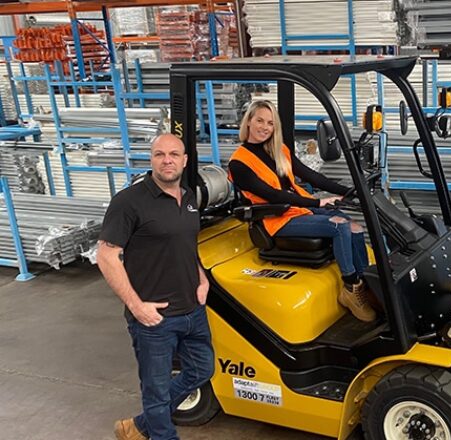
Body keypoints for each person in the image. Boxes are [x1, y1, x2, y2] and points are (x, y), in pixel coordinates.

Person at [98, 133, 214, 440]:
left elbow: (186, 245)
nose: (167, 160)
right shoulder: (129, 201)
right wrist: (137, 307)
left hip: (192, 310)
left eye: (174, 154)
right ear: (151, 159)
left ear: (184, 160)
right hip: (155, 319)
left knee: (202, 371)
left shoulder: (188, 197)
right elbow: (106, 256)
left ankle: (139, 426)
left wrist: (201, 277)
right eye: (160, 154)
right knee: (157, 392)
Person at [228, 100, 376, 322]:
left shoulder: (280, 151)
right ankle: (351, 287)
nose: (264, 127)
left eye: (270, 123)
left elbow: (312, 176)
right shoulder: (239, 163)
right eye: (259, 120)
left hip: (297, 210)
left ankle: (368, 284)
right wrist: (318, 204)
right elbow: (274, 196)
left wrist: (350, 191)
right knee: (340, 225)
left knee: (354, 226)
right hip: (276, 219)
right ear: (248, 121)